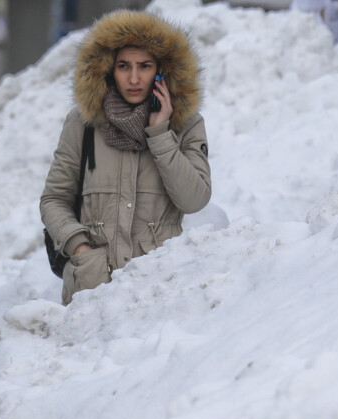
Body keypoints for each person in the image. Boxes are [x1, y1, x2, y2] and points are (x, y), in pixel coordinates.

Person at [40, 10, 211, 305]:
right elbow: (54, 200)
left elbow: (194, 200)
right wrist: (80, 248)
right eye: (124, 66)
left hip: (159, 297)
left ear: (162, 71)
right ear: (108, 69)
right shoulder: (82, 124)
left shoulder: (187, 125)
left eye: (144, 66)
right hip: (92, 295)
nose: (134, 78)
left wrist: (160, 134)